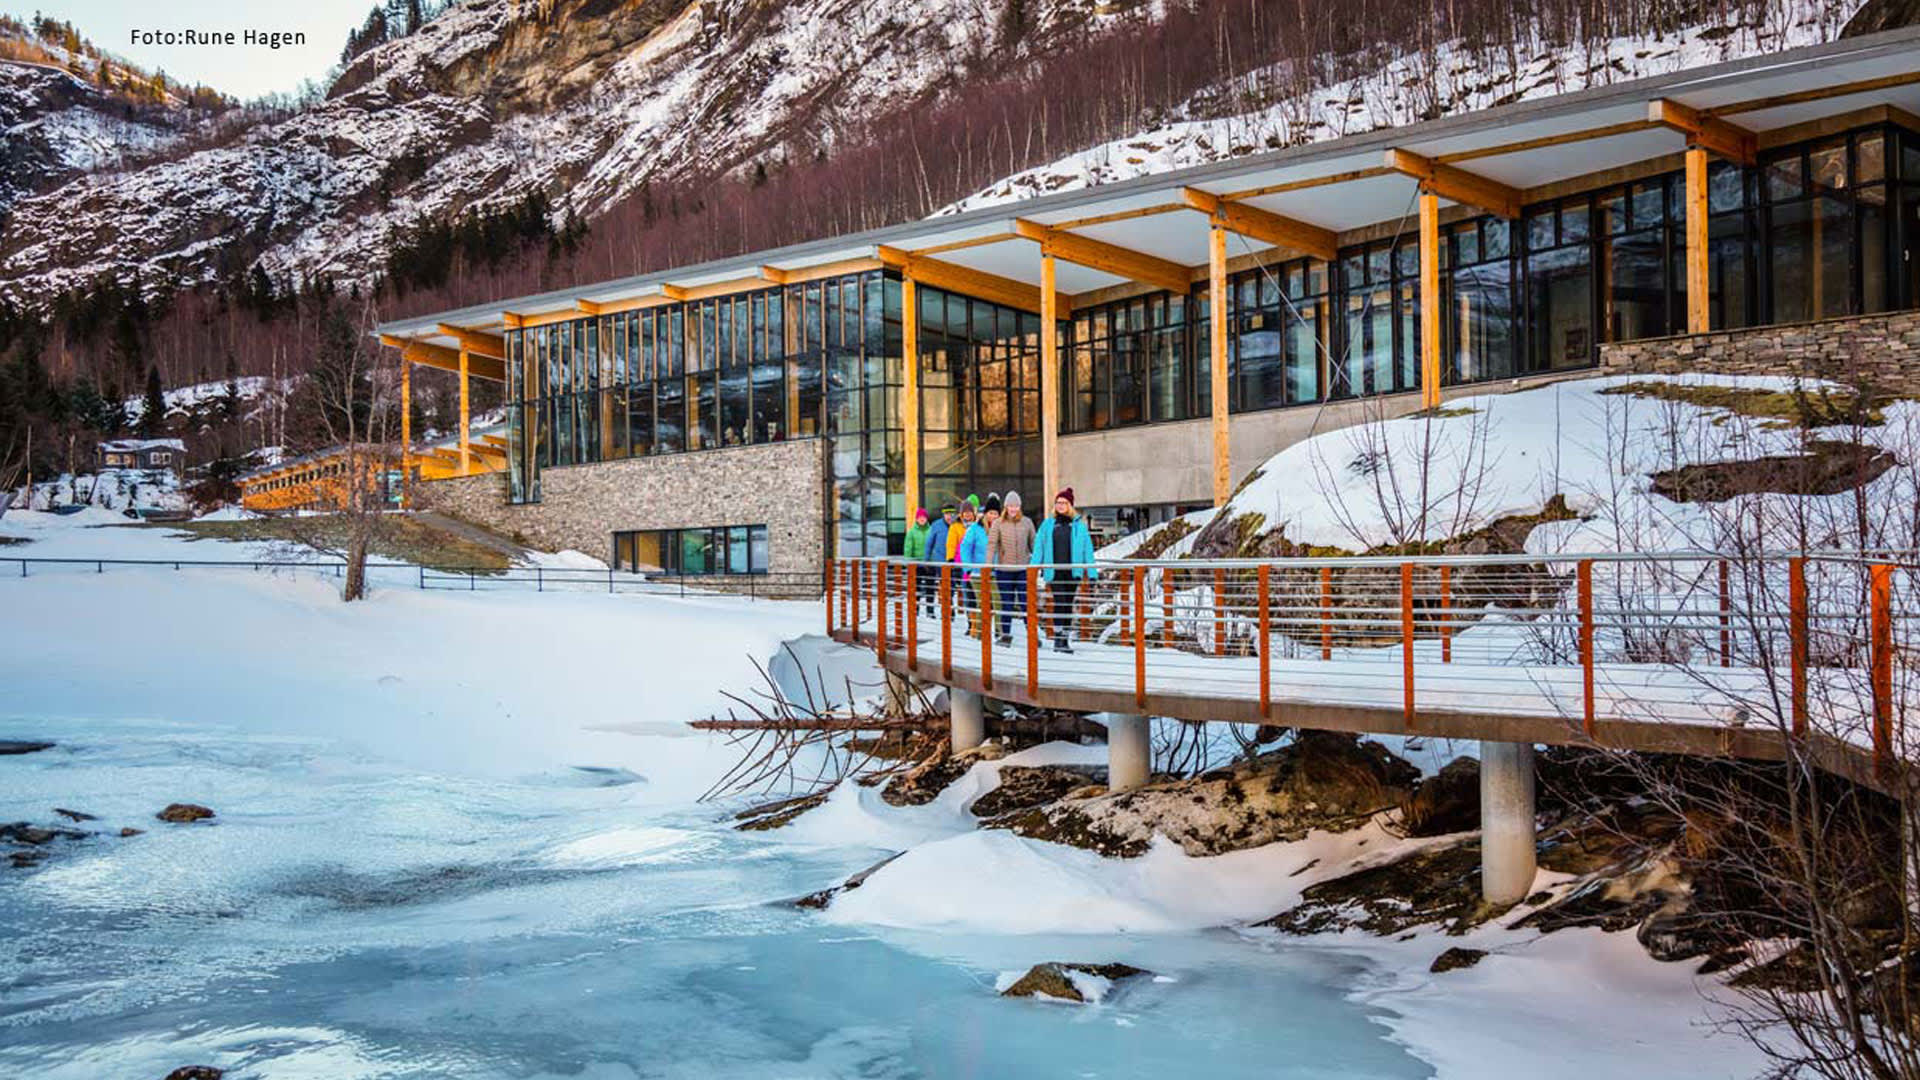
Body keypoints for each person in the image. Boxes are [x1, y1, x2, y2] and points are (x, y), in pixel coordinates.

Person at [1030, 487, 1096, 652]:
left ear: (1070, 505)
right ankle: (1058, 638)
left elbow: (1088, 550)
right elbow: (1039, 547)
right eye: (1058, 502)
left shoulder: (1079, 526)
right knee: (1060, 602)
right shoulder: (1048, 525)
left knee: (1068, 605)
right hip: (1054, 571)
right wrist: (1034, 567)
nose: (1060, 505)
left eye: (1064, 503)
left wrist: (1092, 574)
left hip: (1073, 572)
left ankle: (1064, 638)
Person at [988, 490, 1035, 645]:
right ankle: (1005, 634)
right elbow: (992, 546)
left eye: (1016, 506)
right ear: (1006, 507)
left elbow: (1033, 545)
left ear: (1020, 506)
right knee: (1006, 603)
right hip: (1004, 571)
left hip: (1023, 570)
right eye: (1010, 506)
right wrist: (988, 566)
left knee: (1025, 603)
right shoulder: (998, 524)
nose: (1013, 509)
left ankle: (1033, 635)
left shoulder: (1027, 523)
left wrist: (1037, 565)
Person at [958, 496, 996, 638]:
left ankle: (997, 632)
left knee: (994, 603)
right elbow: (962, 548)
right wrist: (965, 567)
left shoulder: (996, 527)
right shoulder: (972, 528)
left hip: (994, 572)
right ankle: (975, 629)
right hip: (974, 571)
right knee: (976, 601)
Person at [920, 503, 955, 615]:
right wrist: (926, 559)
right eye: (947, 514)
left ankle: (949, 609)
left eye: (951, 513)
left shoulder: (957, 525)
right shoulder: (936, 525)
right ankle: (935, 610)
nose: (949, 516)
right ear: (943, 514)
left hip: (954, 562)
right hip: (939, 561)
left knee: (951, 588)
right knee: (940, 586)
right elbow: (929, 543)